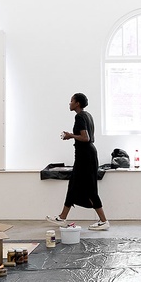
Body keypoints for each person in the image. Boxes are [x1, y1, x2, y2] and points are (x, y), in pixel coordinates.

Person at [46, 93, 109, 231]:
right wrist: (73, 136)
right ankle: (62, 217)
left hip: (86, 157)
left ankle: (104, 221)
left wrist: (70, 136)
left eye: (71, 101)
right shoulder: (88, 115)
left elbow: (85, 138)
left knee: (90, 189)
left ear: (77, 103)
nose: (69, 103)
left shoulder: (79, 116)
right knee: (73, 185)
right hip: (85, 156)